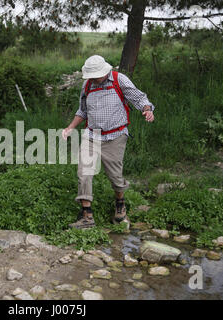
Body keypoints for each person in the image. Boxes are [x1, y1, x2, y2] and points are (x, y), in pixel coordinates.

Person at [62, 55, 155, 230]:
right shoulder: (87, 85)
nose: (95, 78)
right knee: (84, 173)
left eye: (97, 75)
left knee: (115, 176)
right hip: (91, 135)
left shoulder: (119, 80)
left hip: (115, 136)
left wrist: (147, 109)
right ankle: (86, 216)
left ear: (105, 70)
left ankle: (120, 205)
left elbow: (139, 98)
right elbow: (82, 111)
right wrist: (70, 128)